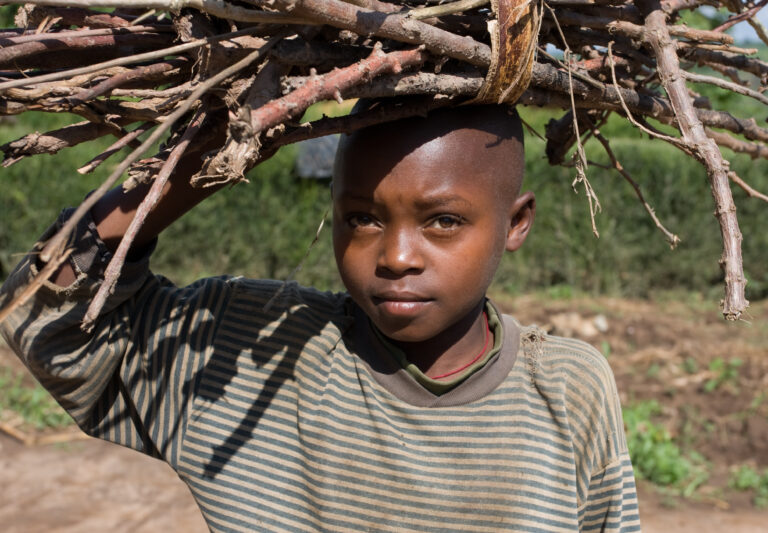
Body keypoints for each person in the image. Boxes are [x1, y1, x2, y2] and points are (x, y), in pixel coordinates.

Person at [0, 102, 640, 532]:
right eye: (361, 217)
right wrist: (196, 166)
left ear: (515, 222)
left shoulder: (564, 389)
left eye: (443, 221)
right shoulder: (257, 348)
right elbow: (49, 323)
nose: (393, 256)